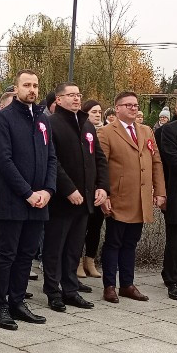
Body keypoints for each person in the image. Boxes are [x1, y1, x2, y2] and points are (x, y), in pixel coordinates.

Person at [0, 71, 57, 330]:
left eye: (36, 85)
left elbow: (51, 157)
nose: (32, 89)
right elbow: (3, 161)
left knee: (27, 254)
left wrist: (48, 191)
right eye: (27, 85)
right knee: (7, 254)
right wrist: (27, 193)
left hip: (40, 201)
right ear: (16, 88)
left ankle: (17, 301)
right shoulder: (4, 118)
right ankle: (0, 306)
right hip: (15, 200)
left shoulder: (42, 118)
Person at [41, 84, 107, 311]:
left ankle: (70, 289)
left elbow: (98, 158)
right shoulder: (50, 123)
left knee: (73, 248)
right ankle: (52, 291)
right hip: (62, 200)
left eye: (79, 95)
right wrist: (68, 189)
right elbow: (52, 161)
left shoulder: (86, 124)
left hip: (86, 199)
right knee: (54, 248)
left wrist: (102, 187)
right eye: (71, 95)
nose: (77, 99)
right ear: (58, 100)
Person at [101, 91, 169, 302]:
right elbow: (100, 166)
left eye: (135, 105)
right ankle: (110, 285)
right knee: (114, 242)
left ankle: (127, 284)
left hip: (140, 198)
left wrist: (160, 191)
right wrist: (104, 195)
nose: (133, 108)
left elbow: (156, 162)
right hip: (119, 198)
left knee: (131, 242)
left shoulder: (146, 130)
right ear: (117, 108)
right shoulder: (106, 132)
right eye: (128, 105)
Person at [79, 99, 106, 279]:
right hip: (84, 188)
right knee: (82, 227)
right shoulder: (81, 129)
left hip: (98, 188)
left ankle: (90, 260)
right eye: (93, 112)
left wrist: (104, 187)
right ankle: (78, 262)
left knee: (96, 226)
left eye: (99, 112)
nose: (97, 114)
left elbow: (102, 161)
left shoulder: (103, 131)